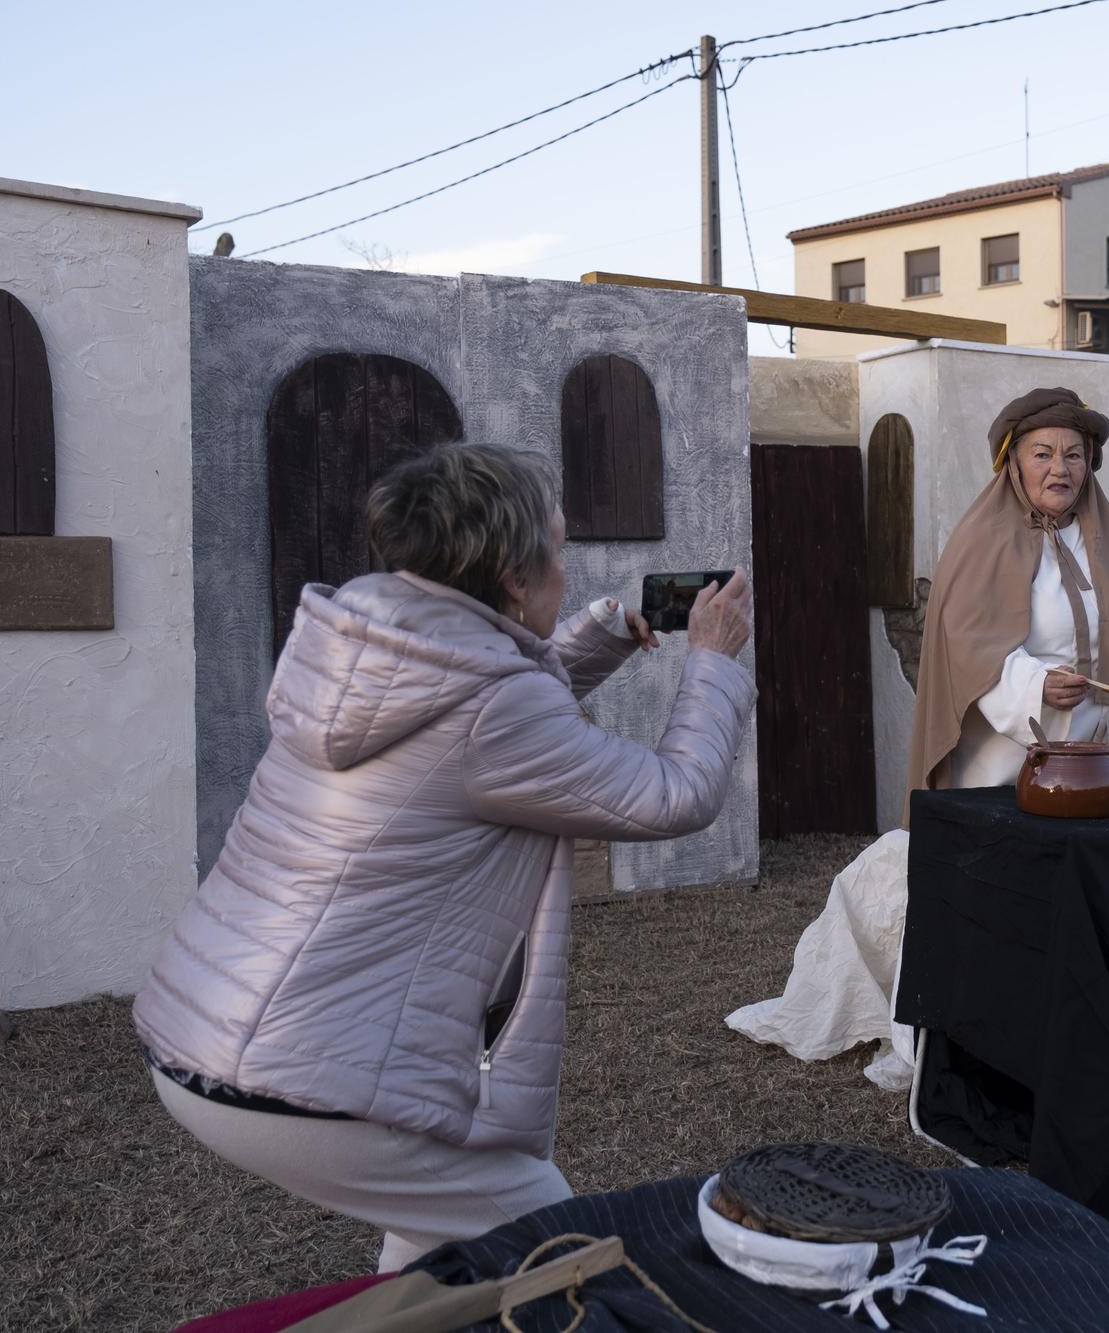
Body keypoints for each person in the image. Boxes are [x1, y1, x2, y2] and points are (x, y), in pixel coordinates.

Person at [133, 442, 755, 1271]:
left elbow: (470, 723)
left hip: (210, 1025)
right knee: (553, 1254)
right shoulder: (494, 708)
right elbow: (676, 792)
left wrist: (600, 636)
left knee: (442, 1255)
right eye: (557, 551)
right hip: (291, 1069)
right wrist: (711, 660)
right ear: (512, 579)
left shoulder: (378, 640)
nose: (565, 569)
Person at [729, 387, 1109, 1087]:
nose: (1061, 468)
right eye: (1043, 453)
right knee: (994, 890)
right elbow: (963, 641)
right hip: (998, 758)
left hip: (1091, 762)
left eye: (1074, 455)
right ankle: (973, 1024)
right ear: (1014, 461)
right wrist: (1033, 684)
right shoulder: (982, 539)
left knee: (1073, 892)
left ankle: (1062, 1025)